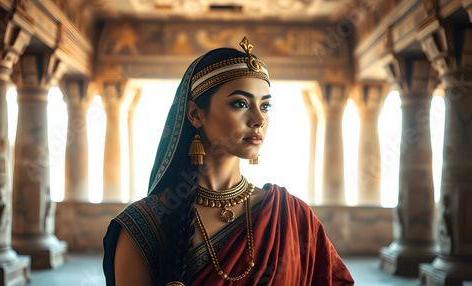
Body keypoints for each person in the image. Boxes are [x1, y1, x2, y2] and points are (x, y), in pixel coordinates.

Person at [103, 36, 354, 286]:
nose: (258, 119)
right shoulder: (143, 225)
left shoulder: (294, 216)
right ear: (195, 113)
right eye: (240, 103)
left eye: (265, 106)